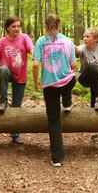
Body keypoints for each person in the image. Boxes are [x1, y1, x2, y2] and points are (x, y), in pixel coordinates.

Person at [32, 14, 77, 167]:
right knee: (71, 79)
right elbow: (73, 65)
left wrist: (35, 81)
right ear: (59, 24)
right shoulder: (68, 41)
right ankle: (67, 101)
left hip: (49, 85)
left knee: (53, 120)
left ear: (45, 24)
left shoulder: (40, 41)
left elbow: (36, 64)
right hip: (66, 82)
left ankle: (57, 158)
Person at [0, 16, 34, 145]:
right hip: (8, 73)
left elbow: (32, 51)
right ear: (7, 28)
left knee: (17, 106)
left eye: (18, 26)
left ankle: (15, 136)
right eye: (13, 26)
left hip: (20, 75)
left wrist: (39, 57)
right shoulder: (2, 41)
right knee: (3, 69)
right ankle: (3, 100)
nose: (17, 28)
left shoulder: (24, 38)